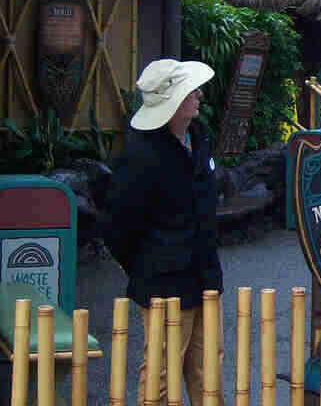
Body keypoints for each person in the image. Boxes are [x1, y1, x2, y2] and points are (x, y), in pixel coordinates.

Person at [105, 59, 225, 406]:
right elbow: (118, 227)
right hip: (164, 281)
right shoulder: (141, 155)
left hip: (205, 272)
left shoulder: (200, 137)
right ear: (172, 102)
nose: (200, 95)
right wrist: (149, 263)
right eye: (191, 90)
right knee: (161, 377)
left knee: (209, 372)